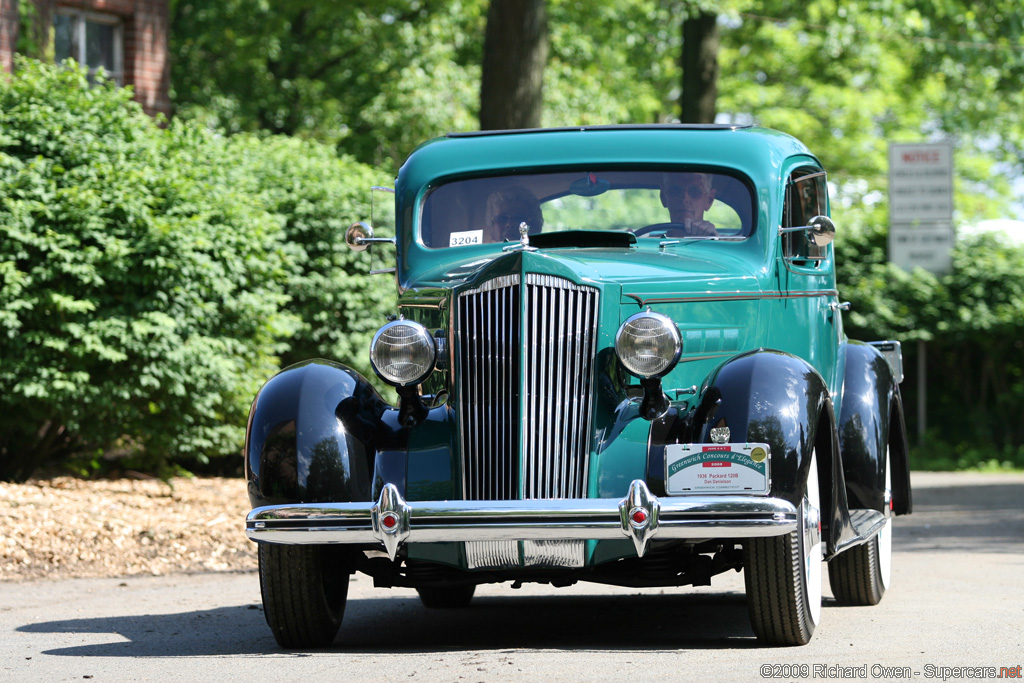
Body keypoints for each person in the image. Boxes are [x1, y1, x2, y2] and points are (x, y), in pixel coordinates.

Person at [659, 172, 718, 236]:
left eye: (695, 191)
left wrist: (712, 238)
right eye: (675, 190)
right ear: (663, 197)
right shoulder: (649, 241)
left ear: (709, 199)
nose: (685, 199)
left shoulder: (725, 243)